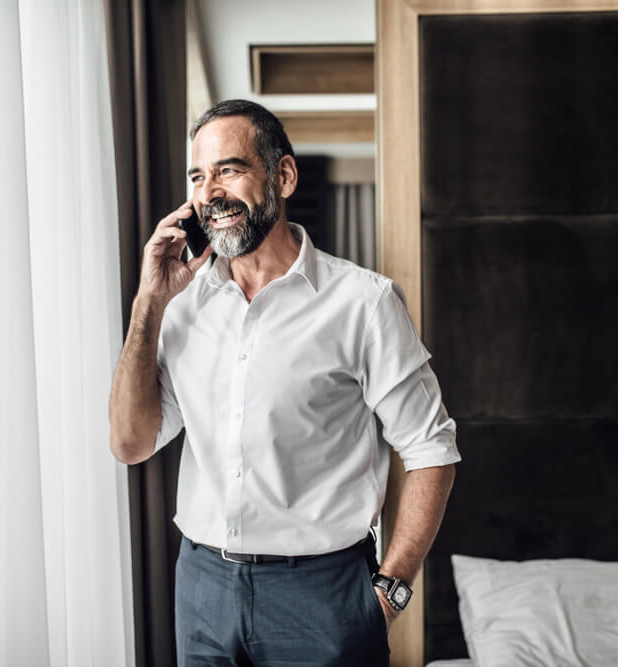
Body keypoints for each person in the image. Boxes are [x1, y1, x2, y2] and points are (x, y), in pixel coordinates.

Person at [110, 99, 460, 666]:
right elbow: (130, 444)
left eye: (229, 169)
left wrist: (388, 593)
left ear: (284, 175)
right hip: (201, 586)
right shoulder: (179, 307)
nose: (209, 192)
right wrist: (148, 303)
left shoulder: (363, 304)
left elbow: (432, 451)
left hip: (324, 597)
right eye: (198, 176)